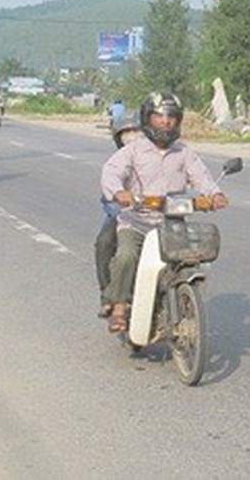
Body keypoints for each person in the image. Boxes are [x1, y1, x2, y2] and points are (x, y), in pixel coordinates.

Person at [101, 91, 228, 333]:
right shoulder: (134, 150)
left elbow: (201, 177)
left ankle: (178, 297)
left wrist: (214, 194)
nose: (165, 122)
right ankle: (119, 307)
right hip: (137, 221)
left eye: (171, 117)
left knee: (186, 261)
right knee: (126, 255)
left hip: (172, 222)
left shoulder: (184, 152)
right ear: (147, 119)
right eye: (159, 116)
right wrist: (120, 193)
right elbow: (112, 171)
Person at [94, 111, 144, 319]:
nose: (132, 135)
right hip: (124, 217)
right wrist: (123, 203)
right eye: (127, 132)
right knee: (104, 242)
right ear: (119, 137)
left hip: (160, 217)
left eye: (136, 130)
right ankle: (108, 295)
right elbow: (109, 195)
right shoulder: (116, 163)